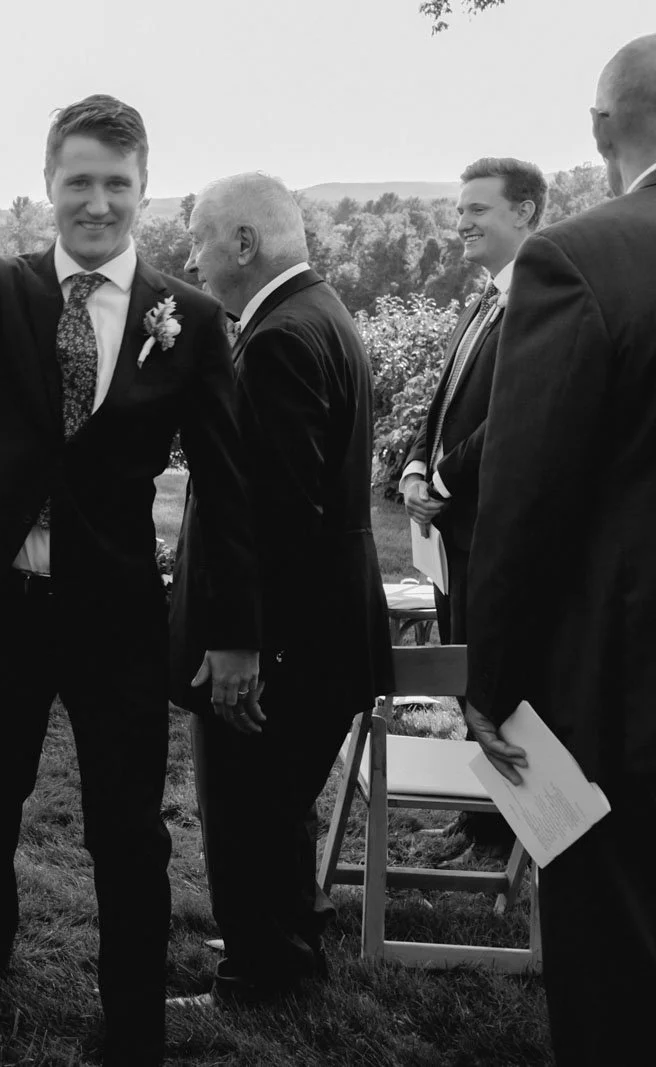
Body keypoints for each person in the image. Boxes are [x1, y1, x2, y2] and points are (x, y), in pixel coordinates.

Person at [0, 87, 260, 1066]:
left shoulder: (189, 317)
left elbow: (230, 484)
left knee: (128, 825)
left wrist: (233, 630)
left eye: (117, 184)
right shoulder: (0, 288)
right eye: (78, 182)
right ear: (49, 185)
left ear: (144, 189)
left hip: (116, 612)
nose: (97, 202)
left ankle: (132, 1015)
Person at [465, 34, 656, 1067]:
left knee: (616, 982)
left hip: (622, 707)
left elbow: (523, 502)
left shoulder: (581, 260)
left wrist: (488, 684)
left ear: (598, 128)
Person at [169, 172, 391, 1009]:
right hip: (325, 631)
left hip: (285, 641)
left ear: (244, 244)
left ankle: (255, 980)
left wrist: (243, 645)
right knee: (278, 809)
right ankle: (289, 950)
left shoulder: (279, 341)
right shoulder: (319, 314)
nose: (190, 258)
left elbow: (272, 516)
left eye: (197, 239)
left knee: (244, 812)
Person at [402, 157, 546, 645]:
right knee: (464, 675)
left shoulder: (542, 301)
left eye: (478, 210)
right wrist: (417, 470)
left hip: (497, 532)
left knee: (494, 685)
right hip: (451, 530)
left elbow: (515, 412)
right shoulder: (477, 306)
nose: (462, 224)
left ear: (524, 212)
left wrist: (442, 486)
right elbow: (445, 400)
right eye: (460, 211)